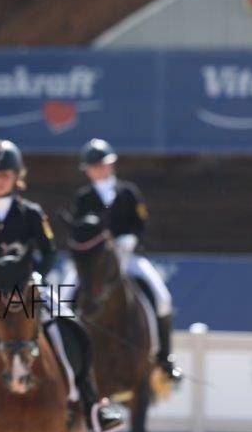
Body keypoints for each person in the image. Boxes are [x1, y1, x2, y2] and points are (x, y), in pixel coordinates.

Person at [0, 139, 126, 432]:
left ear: (16, 176)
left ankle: (93, 404)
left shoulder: (32, 213)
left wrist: (34, 275)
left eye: (4, 174)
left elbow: (49, 252)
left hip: (30, 290)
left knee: (71, 329)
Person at [75, 138, 182, 385]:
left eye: (102, 164)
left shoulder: (128, 192)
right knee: (65, 299)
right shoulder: (84, 198)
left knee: (162, 297)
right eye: (94, 166)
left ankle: (165, 358)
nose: (99, 170)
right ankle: (73, 357)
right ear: (87, 170)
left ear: (111, 165)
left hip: (127, 257)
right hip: (95, 263)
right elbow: (79, 232)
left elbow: (141, 224)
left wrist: (130, 239)